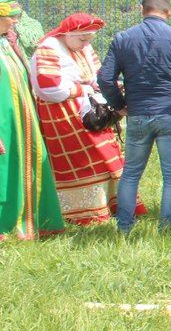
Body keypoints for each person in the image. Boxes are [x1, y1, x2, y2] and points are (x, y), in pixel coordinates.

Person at [97, 0, 171, 234]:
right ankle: (166, 228)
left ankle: (124, 227)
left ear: (141, 9)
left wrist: (120, 104)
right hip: (170, 113)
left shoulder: (123, 38)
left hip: (137, 113)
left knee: (131, 173)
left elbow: (105, 78)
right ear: (169, 12)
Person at [29, 12, 141, 226]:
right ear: (68, 34)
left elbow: (96, 73)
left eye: (89, 40)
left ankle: (111, 205)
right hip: (62, 116)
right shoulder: (48, 49)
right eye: (82, 39)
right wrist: (85, 87)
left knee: (106, 154)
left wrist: (103, 85)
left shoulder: (84, 48)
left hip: (91, 111)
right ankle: (80, 210)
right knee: (85, 160)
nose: (85, 44)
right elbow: (49, 88)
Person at [0, 0, 64, 240]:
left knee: (28, 166)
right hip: (5, 127)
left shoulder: (6, 44)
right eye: (11, 17)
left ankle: (31, 223)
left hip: (22, 125)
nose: (16, 21)